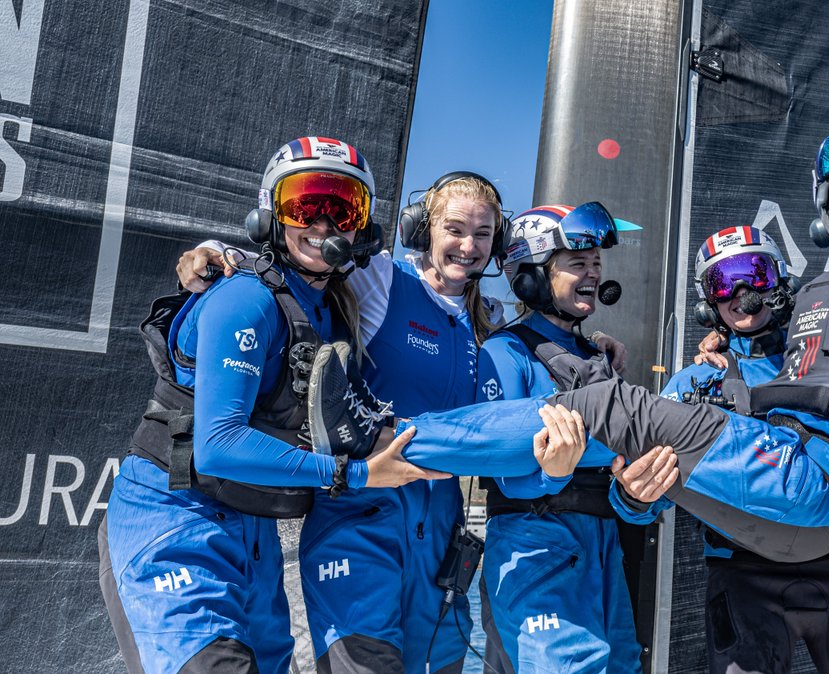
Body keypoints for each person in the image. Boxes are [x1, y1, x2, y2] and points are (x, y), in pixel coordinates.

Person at [356, 35, 829, 564]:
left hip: (812, 495)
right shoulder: (804, 313)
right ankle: (389, 442)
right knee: (610, 421)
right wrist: (639, 475)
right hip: (776, 518)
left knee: (602, 405)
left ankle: (383, 437)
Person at [177, 173, 627, 673]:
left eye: (483, 234)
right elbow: (305, 259)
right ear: (422, 230)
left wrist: (597, 343)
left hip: (440, 546)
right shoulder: (382, 279)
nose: (468, 246)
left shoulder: (493, 322)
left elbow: (548, 329)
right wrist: (216, 250)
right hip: (360, 527)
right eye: (455, 230)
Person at [99, 137, 425, 674]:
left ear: (361, 228)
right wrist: (357, 473)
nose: (323, 224)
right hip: (175, 520)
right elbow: (219, 445)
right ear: (270, 213)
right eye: (305, 205)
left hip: (252, 535)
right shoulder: (245, 297)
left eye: (342, 209)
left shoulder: (330, 310)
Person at [614, 227, 829, 673]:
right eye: (721, 282)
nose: (741, 293)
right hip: (742, 572)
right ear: (707, 303)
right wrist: (632, 494)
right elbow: (642, 504)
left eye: (754, 273)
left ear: (780, 279)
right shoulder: (694, 382)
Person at [473, 203, 675, 673]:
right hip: (535, 542)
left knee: (621, 663)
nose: (592, 274)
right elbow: (503, 474)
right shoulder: (506, 351)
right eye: (577, 264)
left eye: (597, 264)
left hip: (603, 543)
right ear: (531, 276)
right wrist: (551, 473)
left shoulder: (595, 354)